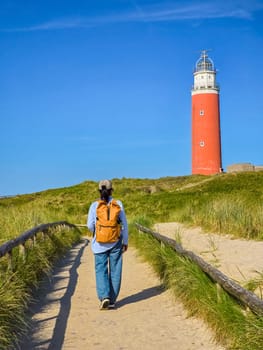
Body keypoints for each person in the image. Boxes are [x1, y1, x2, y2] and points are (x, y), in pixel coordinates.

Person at [87, 179, 128, 310]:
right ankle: (112, 300)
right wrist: (125, 241)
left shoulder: (94, 205)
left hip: (99, 243)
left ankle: (104, 297)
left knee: (101, 270)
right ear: (111, 190)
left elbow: (89, 225)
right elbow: (124, 225)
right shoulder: (118, 204)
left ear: (99, 191)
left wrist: (98, 233)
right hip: (115, 242)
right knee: (115, 270)